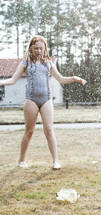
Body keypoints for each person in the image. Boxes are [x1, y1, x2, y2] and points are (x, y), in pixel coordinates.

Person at [0, 35, 86, 170]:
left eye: (41, 48)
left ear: (45, 48)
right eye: (36, 48)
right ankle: (21, 160)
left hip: (46, 100)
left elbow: (61, 79)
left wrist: (75, 78)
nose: (39, 51)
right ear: (31, 49)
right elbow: (13, 80)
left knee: (49, 130)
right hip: (31, 100)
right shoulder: (26, 62)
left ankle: (55, 161)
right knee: (29, 131)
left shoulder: (48, 63)